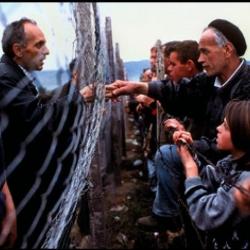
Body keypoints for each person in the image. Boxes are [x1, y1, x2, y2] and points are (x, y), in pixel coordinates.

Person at [106, 19, 250, 233]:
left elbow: (236, 143)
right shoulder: (211, 80)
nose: (200, 59)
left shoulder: (246, 87)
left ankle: (169, 217)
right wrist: (140, 87)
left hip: (238, 167)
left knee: (167, 154)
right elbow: (180, 92)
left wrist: (193, 147)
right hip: (218, 157)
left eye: (205, 51)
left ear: (227, 49)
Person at [0, 17, 87, 247]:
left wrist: (73, 90)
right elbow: (36, 116)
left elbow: (40, 102)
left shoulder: (15, 74)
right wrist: (78, 96)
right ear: (18, 50)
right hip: (18, 188)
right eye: (39, 45)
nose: (46, 51)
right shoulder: (4, 78)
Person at [173, 99, 250, 248]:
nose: (218, 128)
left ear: (242, 134)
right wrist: (192, 153)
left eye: (226, 127)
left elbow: (204, 215)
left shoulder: (245, 183)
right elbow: (213, 177)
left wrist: (190, 168)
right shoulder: (230, 162)